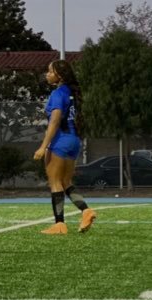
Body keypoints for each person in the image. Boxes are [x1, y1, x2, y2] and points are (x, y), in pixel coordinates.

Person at [34, 59, 96, 234]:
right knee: (66, 182)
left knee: (55, 183)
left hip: (60, 141)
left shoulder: (58, 93)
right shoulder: (73, 93)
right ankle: (86, 210)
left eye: (50, 71)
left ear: (59, 75)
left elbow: (54, 121)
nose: (47, 74)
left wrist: (43, 146)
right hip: (74, 141)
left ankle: (59, 224)